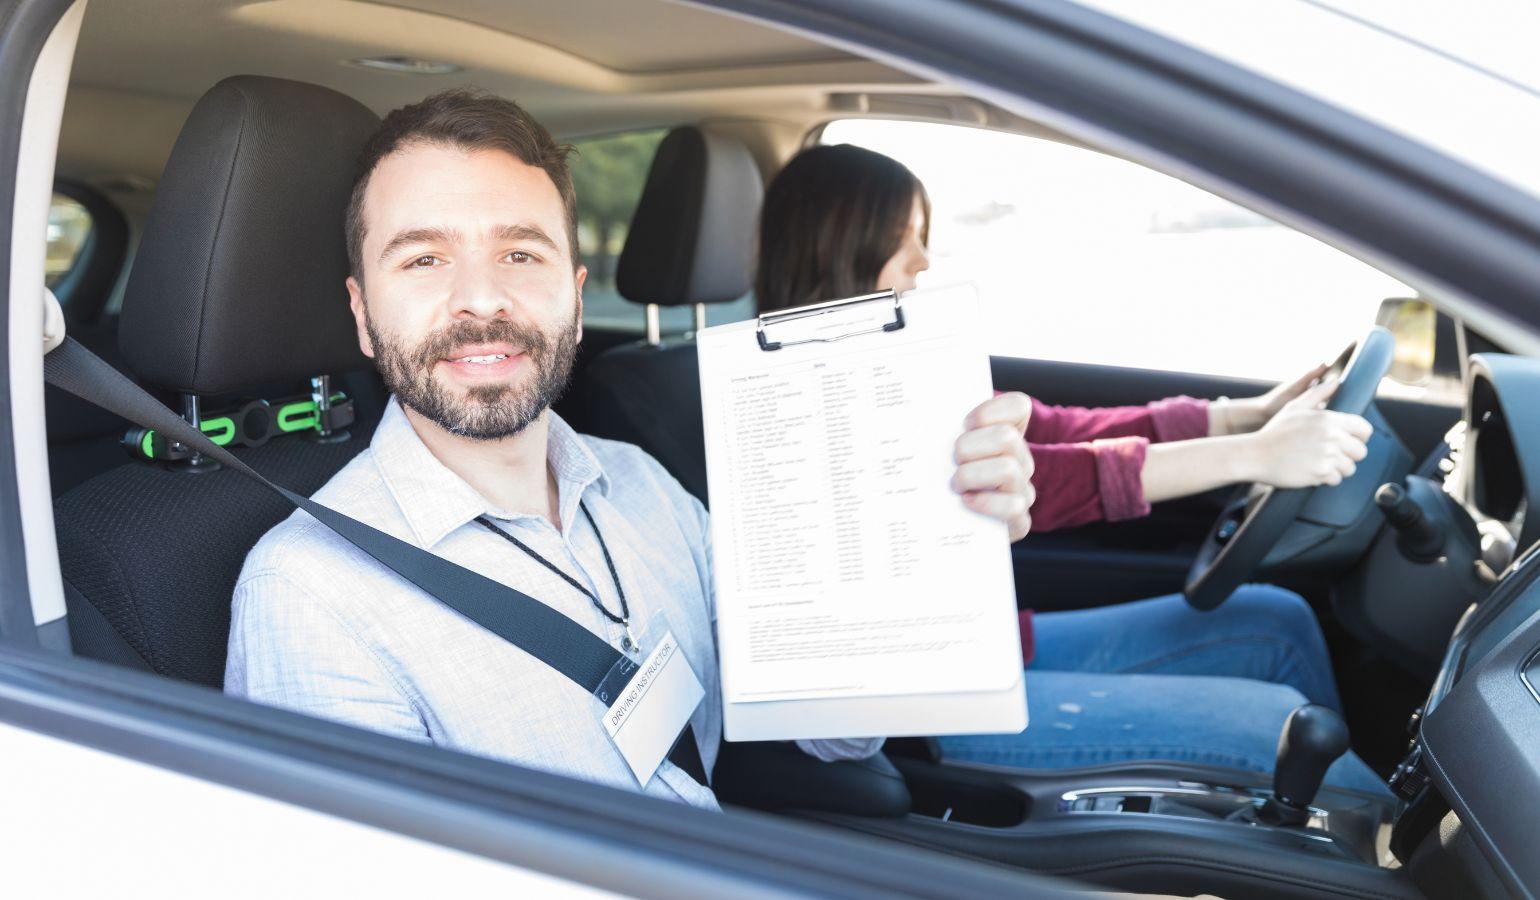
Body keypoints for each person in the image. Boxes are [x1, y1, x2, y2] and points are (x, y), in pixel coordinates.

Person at [224, 89, 1041, 810]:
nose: (479, 297)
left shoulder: (644, 488)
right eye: (425, 258)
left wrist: (942, 537)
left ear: (575, 303)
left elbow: (835, 734)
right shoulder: (310, 596)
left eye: (520, 253)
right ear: (363, 315)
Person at [756, 144, 1386, 792]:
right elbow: (1062, 477)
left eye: (923, 235)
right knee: (1278, 726)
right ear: (833, 245)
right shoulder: (813, 406)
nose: (924, 259)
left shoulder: (893, 362)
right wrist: (1255, 455)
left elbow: (1062, 432)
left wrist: (1242, 416)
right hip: (934, 705)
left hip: (997, 647)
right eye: (901, 238)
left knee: (1275, 621)